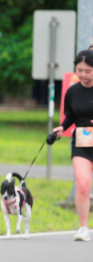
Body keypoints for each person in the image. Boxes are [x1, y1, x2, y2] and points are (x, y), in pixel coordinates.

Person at [52, 49, 93, 241]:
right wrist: (61, 128)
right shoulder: (72, 91)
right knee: (82, 185)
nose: (83, 75)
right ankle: (84, 227)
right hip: (82, 143)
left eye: (88, 71)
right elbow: (70, 116)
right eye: (79, 70)